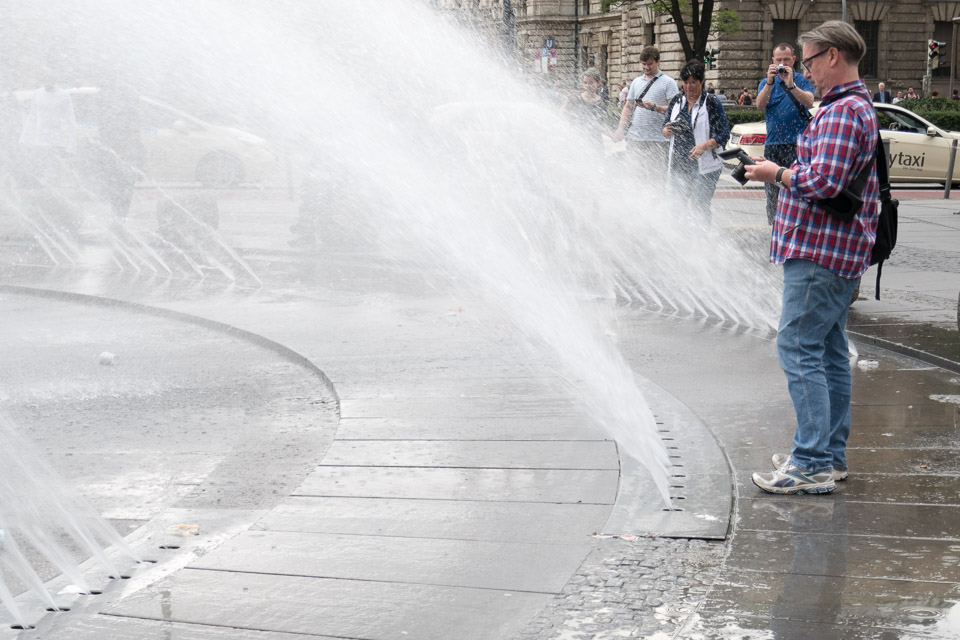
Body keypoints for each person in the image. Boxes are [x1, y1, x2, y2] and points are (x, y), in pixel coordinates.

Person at [744, 20, 879, 495]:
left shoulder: (843, 112)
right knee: (828, 351)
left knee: (798, 347)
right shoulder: (849, 106)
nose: (804, 70)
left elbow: (825, 182)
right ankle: (828, 454)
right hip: (833, 248)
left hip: (821, 250)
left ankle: (811, 462)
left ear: (833, 57)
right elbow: (827, 172)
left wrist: (775, 173)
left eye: (808, 60)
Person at [661, 60, 730, 223]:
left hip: (704, 167)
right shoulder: (677, 101)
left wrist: (704, 146)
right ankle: (679, 241)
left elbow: (724, 133)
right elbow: (664, 125)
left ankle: (702, 242)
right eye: (685, 83)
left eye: (693, 82)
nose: (689, 87)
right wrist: (666, 130)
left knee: (699, 207)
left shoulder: (712, 103)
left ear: (702, 82)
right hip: (679, 164)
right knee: (676, 208)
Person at [756, 43, 815, 225]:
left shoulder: (801, 80)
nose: (782, 63)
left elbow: (810, 102)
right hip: (773, 146)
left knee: (795, 190)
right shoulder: (766, 82)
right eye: (778, 60)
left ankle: (796, 227)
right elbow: (760, 105)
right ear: (773, 61)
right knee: (772, 193)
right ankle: (775, 227)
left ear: (793, 60)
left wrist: (791, 85)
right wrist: (769, 82)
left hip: (797, 146)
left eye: (786, 60)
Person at [613, 46, 680, 174]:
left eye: (650, 64)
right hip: (635, 138)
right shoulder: (636, 82)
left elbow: (675, 110)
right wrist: (620, 129)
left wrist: (655, 107)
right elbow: (628, 107)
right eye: (644, 64)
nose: (647, 67)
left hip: (658, 139)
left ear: (658, 61)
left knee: (656, 178)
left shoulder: (668, 82)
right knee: (633, 176)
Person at [19, 73, 78, 186]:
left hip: (57, 141)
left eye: (50, 81)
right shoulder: (37, 94)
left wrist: (72, 147)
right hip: (40, 141)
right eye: (45, 80)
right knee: (42, 172)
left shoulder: (64, 95)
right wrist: (23, 139)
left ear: (55, 81)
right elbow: (32, 117)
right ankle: (44, 194)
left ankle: (54, 195)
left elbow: (71, 120)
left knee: (54, 173)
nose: (47, 84)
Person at [562, 67, 610, 144]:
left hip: (595, 141)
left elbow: (602, 123)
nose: (587, 85)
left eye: (591, 83)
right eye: (585, 82)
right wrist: (567, 100)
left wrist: (612, 135)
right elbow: (563, 113)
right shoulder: (576, 98)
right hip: (577, 139)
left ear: (598, 83)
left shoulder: (601, 102)